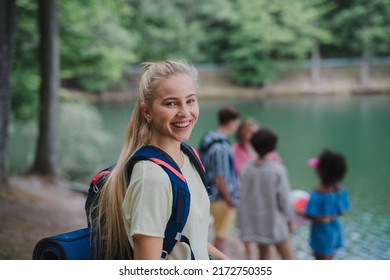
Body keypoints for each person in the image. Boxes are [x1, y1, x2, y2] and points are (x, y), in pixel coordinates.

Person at [93, 60, 228, 260]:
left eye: (190, 100)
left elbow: (188, 234)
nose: (184, 112)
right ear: (147, 111)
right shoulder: (152, 178)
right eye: (171, 103)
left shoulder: (189, 157)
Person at [238, 128, 295, 260]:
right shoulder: (277, 170)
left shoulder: (246, 169)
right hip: (275, 223)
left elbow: (243, 195)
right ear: (273, 147)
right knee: (288, 257)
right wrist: (291, 219)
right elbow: (284, 199)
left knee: (263, 255)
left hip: (256, 222)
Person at [232, 118, 282, 259]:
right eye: (249, 132)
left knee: (266, 240)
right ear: (242, 134)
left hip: (267, 199)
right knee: (248, 238)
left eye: (255, 132)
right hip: (247, 199)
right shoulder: (235, 151)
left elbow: (277, 175)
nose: (252, 135)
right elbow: (239, 172)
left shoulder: (270, 152)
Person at [199, 107, 241, 253]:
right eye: (236, 123)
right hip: (221, 198)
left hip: (208, 193)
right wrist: (230, 199)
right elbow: (219, 178)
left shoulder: (208, 138)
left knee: (209, 234)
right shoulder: (222, 146)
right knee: (220, 238)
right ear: (231, 123)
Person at [302, 149, 350, 260]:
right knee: (330, 257)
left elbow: (310, 215)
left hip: (321, 233)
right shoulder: (341, 191)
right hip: (336, 229)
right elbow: (342, 212)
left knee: (321, 259)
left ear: (319, 172)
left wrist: (297, 211)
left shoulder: (317, 195)